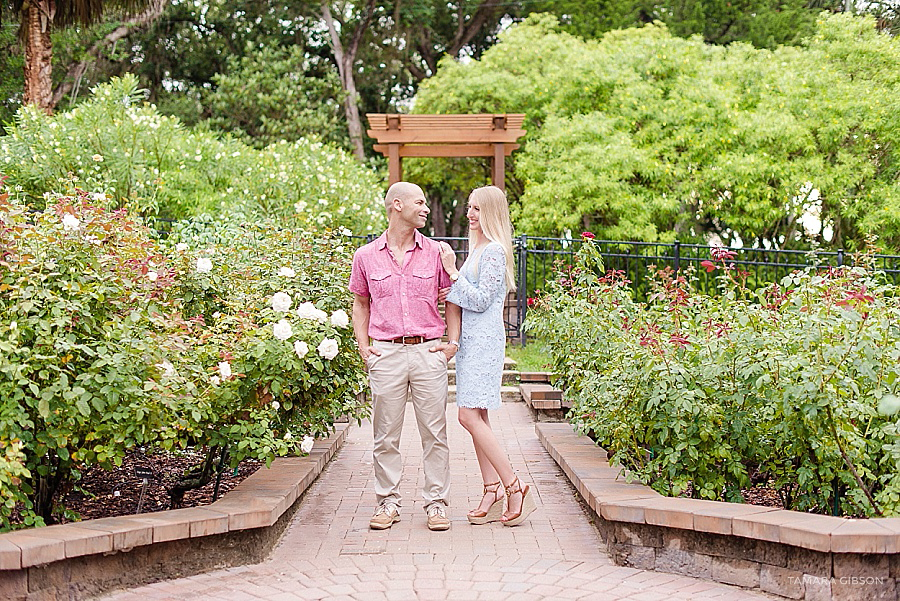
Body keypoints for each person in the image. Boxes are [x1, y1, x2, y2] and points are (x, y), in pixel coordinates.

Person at [349, 181, 461, 532]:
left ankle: (437, 504)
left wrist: (452, 344)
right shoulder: (365, 256)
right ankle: (388, 502)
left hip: (428, 352)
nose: (426, 209)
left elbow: (451, 299)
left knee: (435, 434)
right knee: (385, 435)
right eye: (420, 203)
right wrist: (363, 347)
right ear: (397, 205)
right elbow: (360, 302)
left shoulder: (436, 252)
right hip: (386, 353)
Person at [438, 185, 536, 527]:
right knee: (478, 416)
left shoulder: (494, 251)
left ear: (491, 213)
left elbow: (479, 301)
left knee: (467, 417)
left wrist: (451, 273)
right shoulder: (475, 249)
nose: (470, 214)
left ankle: (515, 485)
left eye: (478, 209)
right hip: (470, 344)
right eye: (469, 207)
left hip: (485, 343)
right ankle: (491, 488)